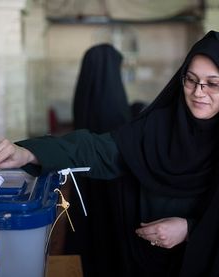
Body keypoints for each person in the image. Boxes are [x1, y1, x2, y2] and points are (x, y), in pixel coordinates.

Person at [0, 31, 219, 276]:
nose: (197, 92)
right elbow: (101, 148)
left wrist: (191, 230)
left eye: (212, 84)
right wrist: (31, 152)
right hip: (150, 260)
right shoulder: (160, 126)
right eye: (190, 79)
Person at [67, 43, 131, 277]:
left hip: (83, 171)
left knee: (88, 218)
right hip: (110, 177)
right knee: (107, 223)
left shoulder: (84, 91)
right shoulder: (113, 99)